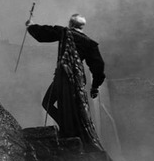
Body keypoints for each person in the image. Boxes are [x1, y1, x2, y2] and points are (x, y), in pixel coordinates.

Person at [26, 13, 105, 151]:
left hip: (63, 76)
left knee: (48, 103)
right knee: (75, 108)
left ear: (71, 24)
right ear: (82, 26)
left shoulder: (64, 32)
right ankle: (69, 130)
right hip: (78, 81)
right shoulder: (90, 43)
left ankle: (66, 129)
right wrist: (95, 87)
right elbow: (98, 67)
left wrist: (31, 25)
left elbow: (44, 33)